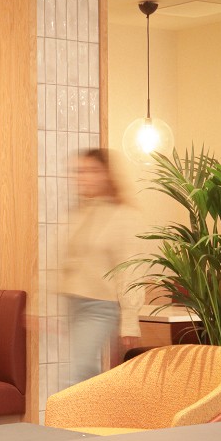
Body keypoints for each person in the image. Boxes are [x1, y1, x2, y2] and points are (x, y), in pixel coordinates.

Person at [60, 148, 143, 386]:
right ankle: (99, 406)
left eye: (91, 171)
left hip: (101, 305)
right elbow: (64, 264)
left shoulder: (123, 216)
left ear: (106, 175)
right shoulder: (78, 214)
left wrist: (130, 319)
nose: (82, 177)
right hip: (74, 303)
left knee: (78, 371)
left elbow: (130, 268)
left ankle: (90, 408)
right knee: (81, 370)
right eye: (79, 171)